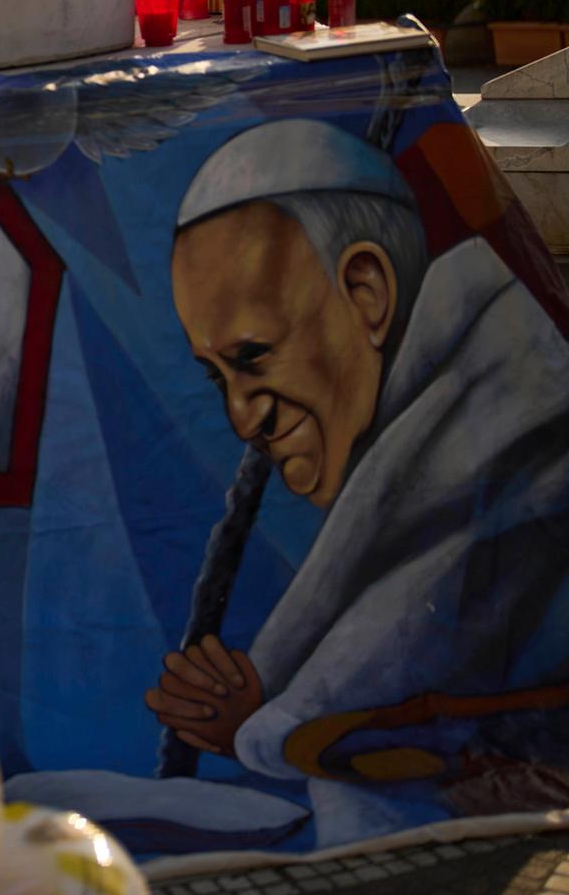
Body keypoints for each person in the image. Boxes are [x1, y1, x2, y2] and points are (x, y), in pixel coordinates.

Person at [147, 119, 569, 835]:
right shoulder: (438, 421)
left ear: (367, 293)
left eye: (254, 358)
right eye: (217, 376)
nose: (244, 419)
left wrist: (263, 726)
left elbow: (445, 728)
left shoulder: (516, 436)